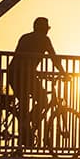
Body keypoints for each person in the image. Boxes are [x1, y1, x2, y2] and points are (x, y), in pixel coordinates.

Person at [8, 16, 61, 147]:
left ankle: (25, 128)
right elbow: (54, 59)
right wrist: (64, 73)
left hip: (14, 73)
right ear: (44, 29)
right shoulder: (44, 40)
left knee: (25, 102)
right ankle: (27, 124)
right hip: (25, 74)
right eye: (47, 28)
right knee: (42, 100)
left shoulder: (25, 37)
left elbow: (21, 57)